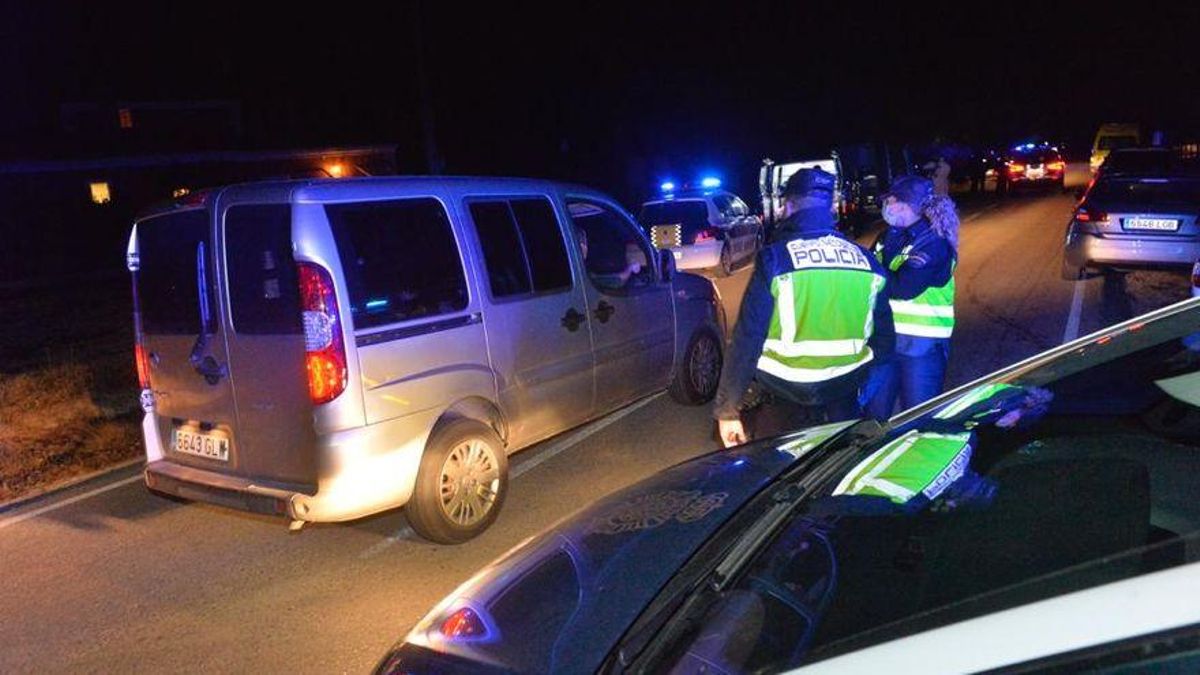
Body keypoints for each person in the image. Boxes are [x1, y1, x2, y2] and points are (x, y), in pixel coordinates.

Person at [712, 168, 895, 448]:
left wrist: (728, 409)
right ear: (830, 206)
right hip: (842, 398)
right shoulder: (868, 261)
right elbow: (884, 341)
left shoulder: (775, 259)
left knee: (781, 477)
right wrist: (858, 386)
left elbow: (748, 339)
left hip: (784, 400)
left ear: (789, 206)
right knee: (831, 474)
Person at [865, 175, 958, 420]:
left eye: (894, 201)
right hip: (884, 341)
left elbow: (903, 288)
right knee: (872, 420)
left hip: (921, 346)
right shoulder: (888, 237)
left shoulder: (934, 242)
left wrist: (868, 269)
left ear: (910, 206)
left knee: (919, 418)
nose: (888, 207)